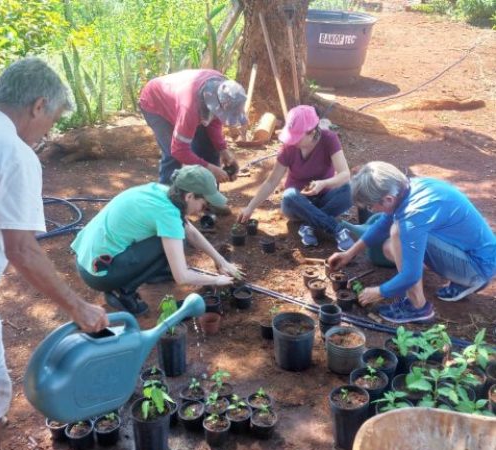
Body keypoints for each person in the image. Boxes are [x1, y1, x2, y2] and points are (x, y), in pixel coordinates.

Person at [0, 58, 108, 450]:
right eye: (53, 121)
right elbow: (21, 249)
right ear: (39, 105)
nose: (47, 134)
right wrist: (77, 306)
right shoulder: (13, 152)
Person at [327, 161, 496, 324]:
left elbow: (411, 275)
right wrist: (349, 253)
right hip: (477, 257)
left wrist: (379, 292)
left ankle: (418, 307)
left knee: (398, 233)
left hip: (477, 267)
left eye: (371, 207)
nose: (372, 210)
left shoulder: (413, 215)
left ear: (388, 199)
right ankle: (463, 280)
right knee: (389, 248)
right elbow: (382, 224)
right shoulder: (407, 188)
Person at [71, 165, 243, 315]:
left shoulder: (162, 192)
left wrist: (221, 261)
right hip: (100, 274)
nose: (202, 210)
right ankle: (123, 292)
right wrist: (216, 280)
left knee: (176, 237)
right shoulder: (167, 214)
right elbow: (182, 277)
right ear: (189, 196)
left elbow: (191, 231)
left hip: (85, 259)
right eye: (204, 204)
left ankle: (147, 272)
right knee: (174, 242)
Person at [238, 105, 354, 251]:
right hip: (297, 204)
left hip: (324, 197)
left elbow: (345, 174)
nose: (293, 141)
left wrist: (323, 183)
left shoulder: (329, 139)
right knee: (289, 195)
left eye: (297, 136)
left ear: (311, 132)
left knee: (350, 190)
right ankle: (336, 230)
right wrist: (250, 208)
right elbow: (272, 181)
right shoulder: (289, 147)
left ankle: (310, 226)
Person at [139, 69, 247, 186]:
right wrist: (209, 168)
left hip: (179, 101)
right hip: (155, 102)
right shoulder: (190, 109)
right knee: (172, 156)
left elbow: (214, 121)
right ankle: (167, 197)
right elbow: (179, 150)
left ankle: (207, 196)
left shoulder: (222, 89)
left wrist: (223, 150)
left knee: (208, 145)